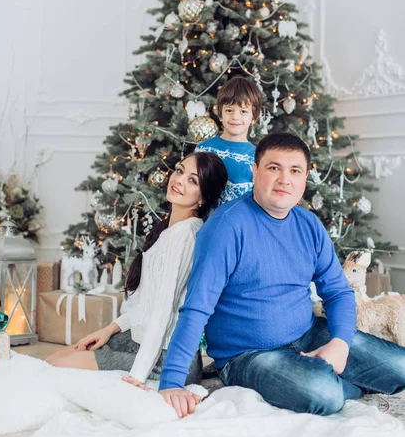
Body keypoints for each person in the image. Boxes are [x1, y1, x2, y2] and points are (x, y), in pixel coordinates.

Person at [158, 132, 405, 418]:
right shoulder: (225, 227)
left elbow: (337, 292)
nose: (284, 179)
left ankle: (327, 370)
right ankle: (337, 383)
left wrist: (339, 343)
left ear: (304, 178)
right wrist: (172, 382)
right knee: (323, 394)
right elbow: (196, 307)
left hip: (308, 334)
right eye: (274, 168)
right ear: (255, 171)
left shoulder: (309, 225)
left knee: (401, 368)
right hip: (248, 355)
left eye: (295, 171)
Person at [47, 152, 227, 389]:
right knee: (53, 359)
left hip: (165, 359)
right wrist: (108, 330)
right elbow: (145, 304)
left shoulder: (184, 235)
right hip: (139, 339)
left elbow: (163, 311)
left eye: (193, 180)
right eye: (180, 171)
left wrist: (138, 375)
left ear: (203, 197)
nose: (180, 180)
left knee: (58, 367)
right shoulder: (169, 230)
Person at [196, 75, 262, 203]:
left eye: (243, 111)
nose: (235, 117)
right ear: (220, 114)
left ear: (254, 117)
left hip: (239, 221)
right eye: (229, 110)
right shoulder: (203, 149)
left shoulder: (257, 157)